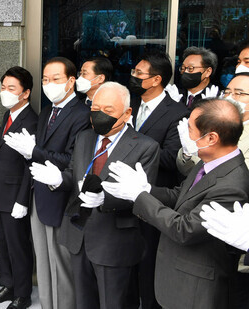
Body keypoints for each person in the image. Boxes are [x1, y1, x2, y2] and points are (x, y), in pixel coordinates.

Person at [103, 98, 249, 309]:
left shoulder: (232, 185)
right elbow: (179, 196)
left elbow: (185, 228)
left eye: (190, 128)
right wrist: (146, 189)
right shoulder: (210, 162)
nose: (186, 135)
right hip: (177, 278)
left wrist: (139, 196)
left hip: (195, 289)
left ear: (211, 138)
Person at [31, 82, 160, 309]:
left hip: (114, 241)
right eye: (95, 108)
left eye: (108, 111)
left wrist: (106, 199)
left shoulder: (145, 147)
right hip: (78, 235)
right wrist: (60, 180)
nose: (100, 115)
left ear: (127, 113)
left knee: (114, 302)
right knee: (83, 301)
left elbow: (142, 196)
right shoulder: (85, 137)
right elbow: (74, 173)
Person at [4, 57, 90, 309]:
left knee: (61, 266)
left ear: (71, 81)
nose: (48, 84)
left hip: (62, 199)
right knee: (43, 263)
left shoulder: (82, 114)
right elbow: (36, 154)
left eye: (56, 79)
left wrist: (34, 152)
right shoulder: (47, 111)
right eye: (45, 79)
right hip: (38, 197)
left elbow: (72, 160)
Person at [128, 50, 189, 309]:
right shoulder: (129, 102)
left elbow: (169, 158)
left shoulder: (177, 112)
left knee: (148, 262)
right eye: (134, 72)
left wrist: (132, 141)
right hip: (124, 197)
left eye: (139, 74)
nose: (133, 77)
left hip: (154, 197)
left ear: (156, 80)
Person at [0, 66, 38, 309]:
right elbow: (5, 140)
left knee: (18, 247)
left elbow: (29, 164)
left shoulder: (31, 121)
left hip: (14, 197)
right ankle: (6, 285)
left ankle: (22, 295)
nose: (5, 92)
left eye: (11, 88)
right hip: (0, 193)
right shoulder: (9, 114)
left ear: (25, 93)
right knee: (2, 244)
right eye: (3, 87)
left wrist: (22, 200)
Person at [176, 72, 249, 175]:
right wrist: (187, 154)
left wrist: (200, 156)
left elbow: (239, 175)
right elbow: (185, 170)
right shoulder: (213, 121)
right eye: (227, 92)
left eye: (238, 93)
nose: (230, 97)